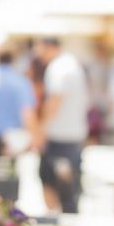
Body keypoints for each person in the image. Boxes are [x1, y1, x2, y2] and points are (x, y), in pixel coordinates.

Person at [32, 37, 89, 214]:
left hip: (58, 134)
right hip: (74, 132)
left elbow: (55, 99)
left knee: (51, 178)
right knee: (69, 184)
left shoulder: (58, 68)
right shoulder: (73, 64)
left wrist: (41, 130)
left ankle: (55, 218)